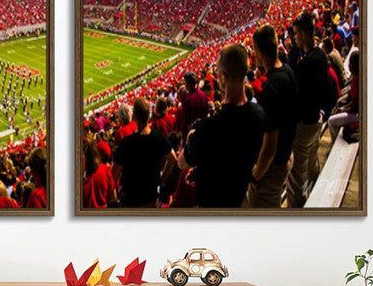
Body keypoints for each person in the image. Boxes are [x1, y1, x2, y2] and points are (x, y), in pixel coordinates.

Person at [174, 44, 266, 208]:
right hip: (239, 198)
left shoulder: (208, 129)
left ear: (223, 77)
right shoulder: (258, 114)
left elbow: (182, 163)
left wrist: (190, 138)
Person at [247, 24, 298, 209]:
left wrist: (256, 174)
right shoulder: (288, 71)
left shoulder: (270, 89)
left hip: (272, 168)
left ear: (259, 52)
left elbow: (269, 146)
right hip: (286, 155)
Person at [286, 11, 331, 207]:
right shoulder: (320, 55)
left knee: (296, 178)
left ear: (303, 34)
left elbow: (294, 94)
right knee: (312, 167)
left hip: (304, 125)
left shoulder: (306, 64)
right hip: (316, 119)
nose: (294, 38)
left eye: (295, 33)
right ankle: (316, 197)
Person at [113, 97, 170, 208]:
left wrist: (115, 195)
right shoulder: (159, 137)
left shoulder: (127, 143)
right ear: (149, 115)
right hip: (151, 197)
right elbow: (173, 159)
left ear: (134, 115)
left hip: (131, 200)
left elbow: (113, 175)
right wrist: (162, 179)